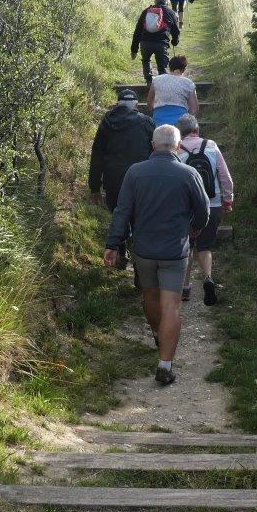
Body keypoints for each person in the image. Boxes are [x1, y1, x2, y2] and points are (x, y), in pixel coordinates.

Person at [105, 124, 210, 386]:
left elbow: (122, 211)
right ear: (177, 146)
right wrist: (195, 228)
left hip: (144, 250)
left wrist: (112, 243)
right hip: (175, 250)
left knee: (150, 296)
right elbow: (204, 211)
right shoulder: (189, 173)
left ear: (152, 145)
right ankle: (165, 364)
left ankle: (156, 332)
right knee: (171, 306)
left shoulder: (135, 172)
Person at [89, 88, 156, 267]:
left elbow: (97, 156)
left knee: (119, 214)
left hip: (114, 181)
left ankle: (121, 245)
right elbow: (156, 151)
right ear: (135, 105)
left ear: (117, 104)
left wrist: (94, 186)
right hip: (142, 179)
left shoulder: (106, 123)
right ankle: (140, 266)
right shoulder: (147, 122)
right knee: (140, 218)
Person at [174, 114, 234, 305]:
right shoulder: (211, 145)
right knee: (205, 246)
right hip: (212, 203)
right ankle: (208, 278)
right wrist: (228, 200)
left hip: (186, 207)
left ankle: (184, 287)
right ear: (197, 129)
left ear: (179, 132)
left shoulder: (176, 150)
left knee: (187, 246)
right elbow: (225, 176)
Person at [130, 0, 181, 88]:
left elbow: (137, 30)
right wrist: (175, 41)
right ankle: (162, 84)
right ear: (167, 2)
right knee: (162, 64)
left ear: (155, 1)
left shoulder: (146, 11)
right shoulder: (170, 12)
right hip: (161, 43)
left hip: (145, 42)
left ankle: (149, 81)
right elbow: (176, 31)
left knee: (146, 60)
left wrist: (134, 49)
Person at [144, 55, 199, 128]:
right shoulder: (189, 83)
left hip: (159, 120)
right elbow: (194, 110)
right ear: (183, 69)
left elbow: (149, 103)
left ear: (169, 67)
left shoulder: (156, 80)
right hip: (180, 122)